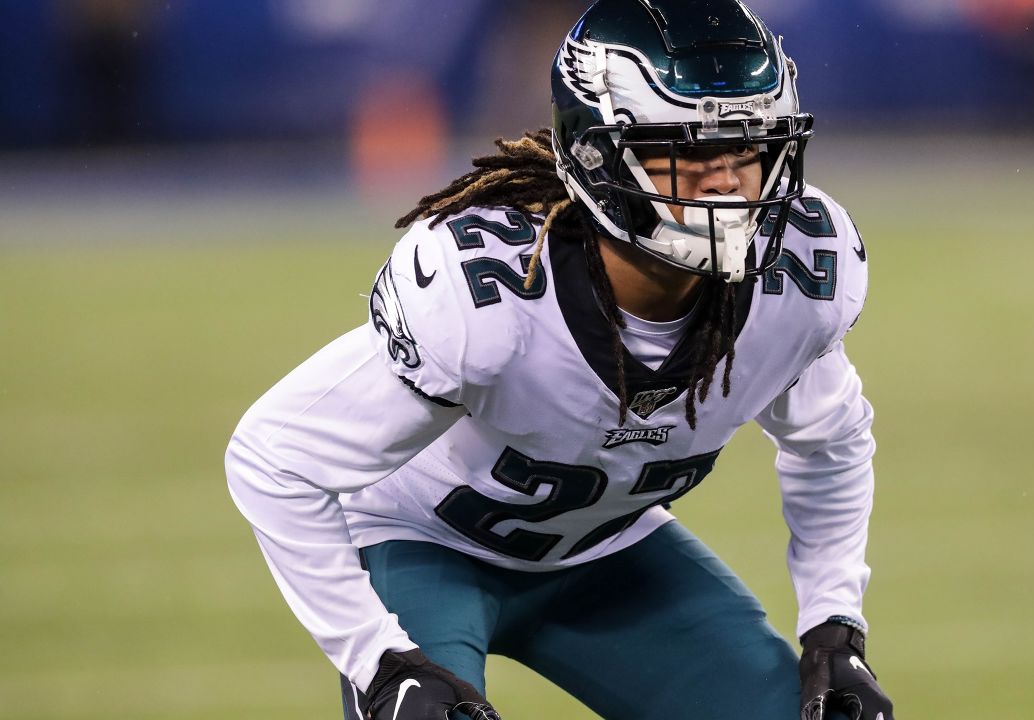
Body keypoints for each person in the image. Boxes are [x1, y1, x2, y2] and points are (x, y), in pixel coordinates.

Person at [225, 1, 894, 718]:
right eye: (690, 152)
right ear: (598, 154)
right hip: (422, 544)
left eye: (747, 149)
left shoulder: (795, 277)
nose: (726, 183)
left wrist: (834, 624)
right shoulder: (492, 302)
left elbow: (832, 441)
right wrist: (378, 661)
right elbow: (273, 456)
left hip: (606, 557)